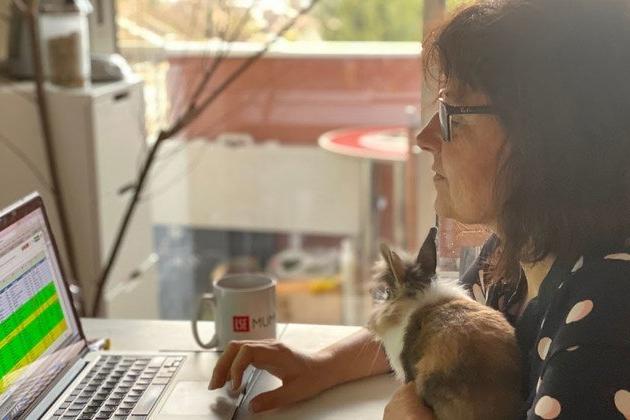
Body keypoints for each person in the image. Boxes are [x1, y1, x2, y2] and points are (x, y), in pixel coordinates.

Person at [209, 0, 630, 418]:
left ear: (544, 139)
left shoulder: (608, 313)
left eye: (451, 115)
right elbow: (425, 321)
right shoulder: (516, 253)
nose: (425, 137)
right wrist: (320, 365)